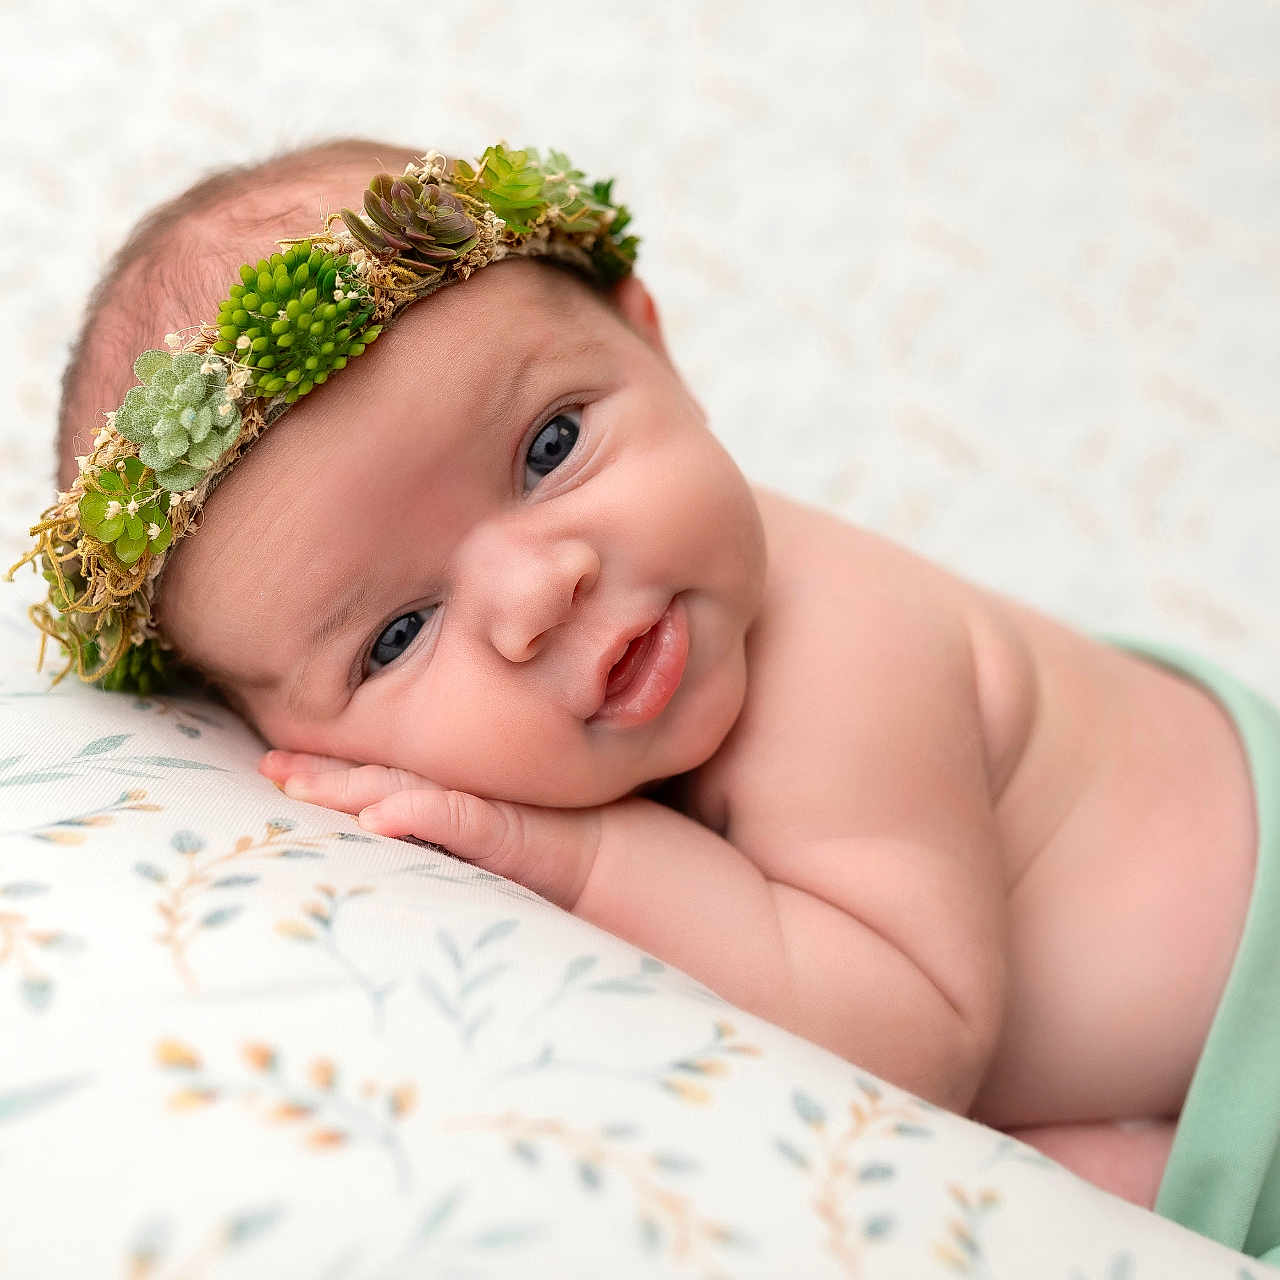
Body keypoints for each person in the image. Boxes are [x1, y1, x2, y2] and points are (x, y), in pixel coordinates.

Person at [11, 135, 1280, 1263]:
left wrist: (576, 858)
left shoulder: (840, 646)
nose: (540, 592)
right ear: (280, 738)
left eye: (549, 447)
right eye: (396, 634)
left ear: (650, 339)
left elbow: (914, 1036)